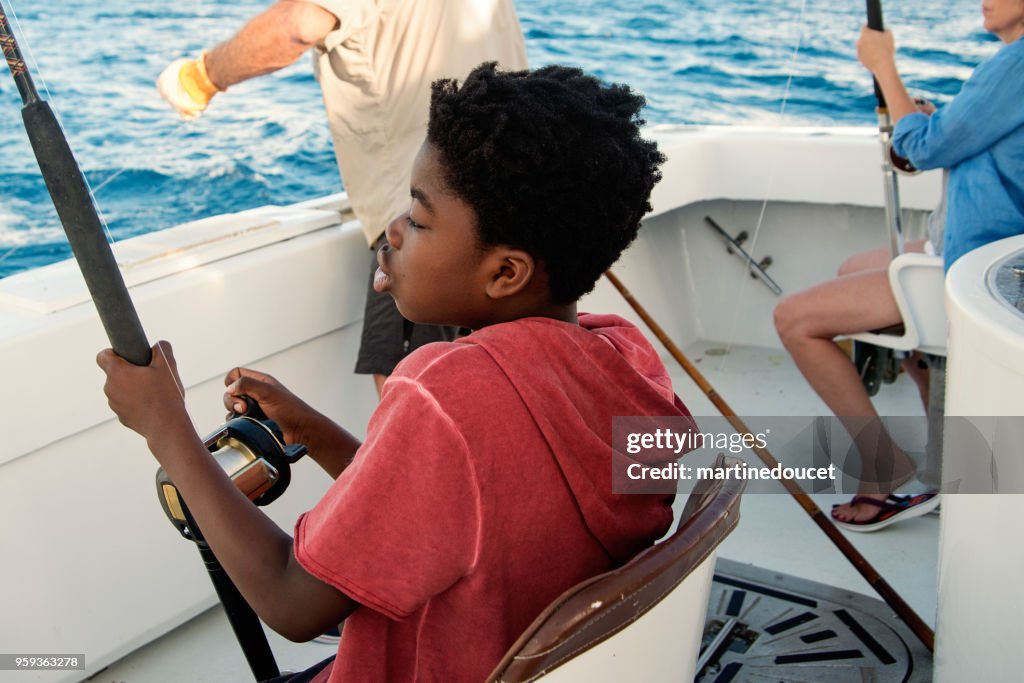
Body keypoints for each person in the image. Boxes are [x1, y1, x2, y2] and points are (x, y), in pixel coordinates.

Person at [99, 63, 690, 681]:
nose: (395, 230)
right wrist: (314, 430)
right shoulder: (624, 358)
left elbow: (294, 602)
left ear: (505, 274)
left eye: (420, 217)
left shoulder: (444, 391)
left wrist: (165, 427)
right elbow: (457, 509)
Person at [157, 0, 528, 396]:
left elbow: (298, 24)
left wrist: (200, 77)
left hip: (431, 218)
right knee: (501, 382)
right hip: (515, 196)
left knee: (413, 393)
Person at [774, 0, 1024, 532]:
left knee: (794, 319)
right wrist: (928, 119)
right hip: (982, 253)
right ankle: (946, 448)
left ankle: (881, 469)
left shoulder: (1018, 63)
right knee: (853, 269)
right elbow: (962, 138)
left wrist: (884, 65)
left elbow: (925, 148)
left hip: (976, 275)